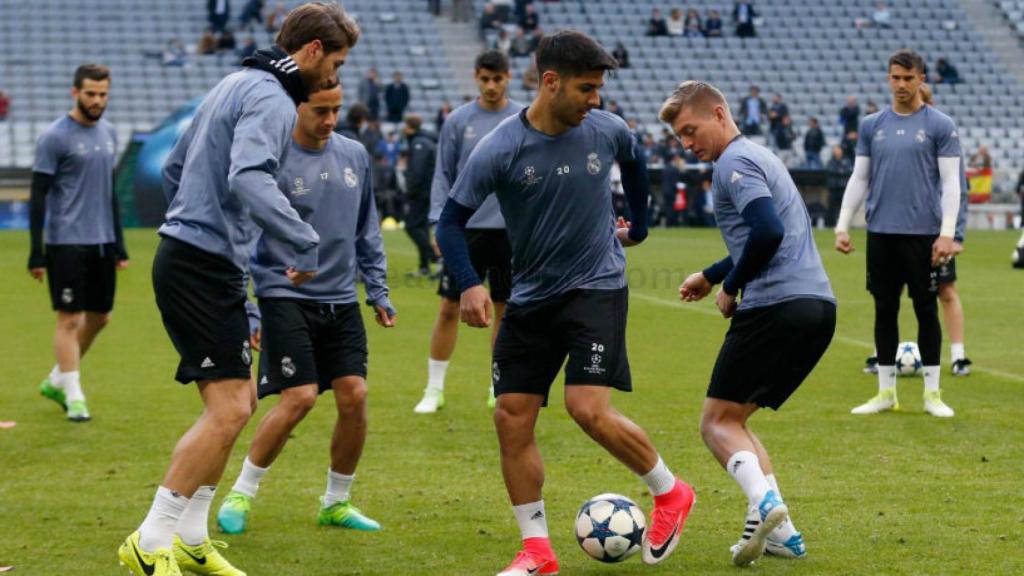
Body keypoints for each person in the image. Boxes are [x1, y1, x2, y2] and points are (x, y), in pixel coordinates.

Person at [435, 31, 696, 575]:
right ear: (550, 82)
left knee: (586, 408)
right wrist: (468, 282)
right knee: (511, 416)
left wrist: (640, 225)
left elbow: (635, 160)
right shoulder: (501, 147)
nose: (595, 100)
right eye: (586, 88)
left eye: (599, 89)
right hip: (531, 294)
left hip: (596, 287)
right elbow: (451, 221)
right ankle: (537, 551)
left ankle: (671, 493)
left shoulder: (607, 129)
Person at [117, 5, 359, 576]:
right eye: (336, 64)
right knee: (228, 411)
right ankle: (150, 539)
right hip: (200, 265)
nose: (334, 78)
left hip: (203, 261)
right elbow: (247, 176)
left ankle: (192, 537)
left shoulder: (233, 82)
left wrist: (202, 230)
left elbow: (175, 168)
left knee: (243, 402)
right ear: (314, 50)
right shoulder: (273, 98)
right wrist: (303, 239)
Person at [664, 80, 835, 567]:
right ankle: (781, 533)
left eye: (691, 130)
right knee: (735, 420)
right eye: (679, 137)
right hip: (817, 307)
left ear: (719, 114)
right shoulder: (760, 157)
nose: (687, 143)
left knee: (715, 423)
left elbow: (768, 232)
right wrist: (712, 274)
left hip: (775, 305)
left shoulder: (732, 163)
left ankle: (765, 504)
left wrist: (731, 286)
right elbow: (762, 234)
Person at [215, 83, 394, 536]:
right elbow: (244, 238)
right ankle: (241, 492)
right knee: (300, 397)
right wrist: (250, 308)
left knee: (355, 395)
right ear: (295, 108)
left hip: (341, 298)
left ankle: (336, 502)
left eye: (336, 110)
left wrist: (377, 289)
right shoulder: (270, 161)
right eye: (320, 111)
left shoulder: (354, 155)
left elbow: (367, 228)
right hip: (284, 295)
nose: (330, 120)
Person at [835, 49, 960, 418]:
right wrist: (843, 224)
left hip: (924, 235)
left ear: (921, 79)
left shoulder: (940, 125)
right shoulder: (872, 125)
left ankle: (933, 395)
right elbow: (860, 177)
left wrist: (947, 233)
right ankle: (885, 392)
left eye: (908, 78)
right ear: (888, 79)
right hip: (881, 233)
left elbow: (952, 183)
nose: (901, 84)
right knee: (884, 309)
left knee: (926, 309)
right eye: (895, 77)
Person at [414, 50, 524, 414]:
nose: (491, 86)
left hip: (510, 231)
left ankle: (498, 384)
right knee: (449, 307)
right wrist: (437, 222)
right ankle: (434, 389)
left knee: (505, 309)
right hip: (466, 230)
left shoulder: (523, 118)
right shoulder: (458, 120)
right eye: (485, 79)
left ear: (509, 77)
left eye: (498, 79)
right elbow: (443, 174)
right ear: (476, 77)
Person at [29, 64, 127, 423]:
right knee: (70, 319)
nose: (97, 100)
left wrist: (119, 243)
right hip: (65, 241)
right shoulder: (54, 137)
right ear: (75, 93)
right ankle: (74, 396)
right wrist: (36, 251)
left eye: (103, 94)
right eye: (90, 94)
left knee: (100, 317)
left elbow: (109, 192)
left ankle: (57, 379)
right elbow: (38, 195)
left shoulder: (110, 133)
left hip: (101, 240)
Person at [862, 83, 973, 376]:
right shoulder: (889, 133)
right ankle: (880, 354)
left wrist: (955, 234)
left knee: (945, 291)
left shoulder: (940, 135)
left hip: (933, 233)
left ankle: (958, 356)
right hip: (895, 230)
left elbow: (958, 188)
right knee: (889, 295)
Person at [403, 114, 438, 277]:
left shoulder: (419, 143)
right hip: (426, 192)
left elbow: (417, 170)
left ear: (409, 126)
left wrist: (410, 189)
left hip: (421, 193)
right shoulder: (424, 141)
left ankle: (434, 255)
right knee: (422, 227)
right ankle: (424, 267)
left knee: (412, 226)